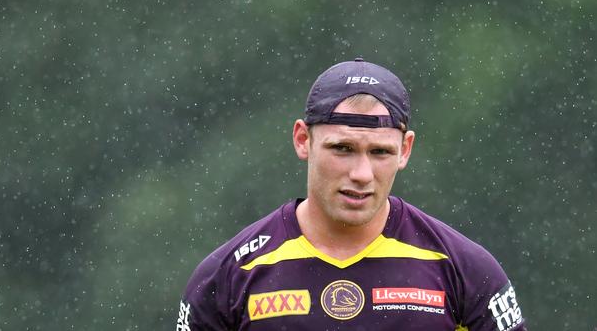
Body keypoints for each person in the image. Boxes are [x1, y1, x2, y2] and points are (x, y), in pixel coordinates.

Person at [176, 58, 526, 330]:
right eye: (342, 148)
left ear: (405, 150)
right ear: (302, 140)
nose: (361, 174)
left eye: (380, 153)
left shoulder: (464, 269)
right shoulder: (229, 275)